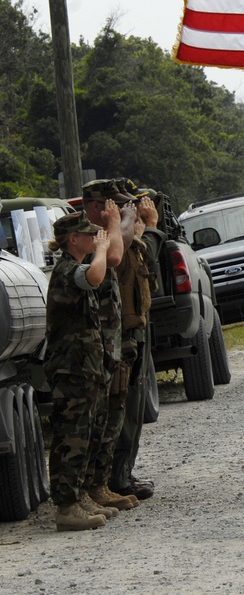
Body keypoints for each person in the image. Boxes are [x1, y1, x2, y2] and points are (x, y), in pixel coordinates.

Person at [44, 213, 112, 531]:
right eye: (88, 235)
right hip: (70, 369)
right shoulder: (68, 270)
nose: (93, 238)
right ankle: (67, 507)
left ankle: (79, 495)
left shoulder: (74, 268)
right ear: (73, 239)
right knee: (71, 435)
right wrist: (102, 249)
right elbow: (96, 276)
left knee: (83, 433)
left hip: (82, 367)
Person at [80, 180, 141, 513]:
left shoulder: (107, 232)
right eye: (111, 205)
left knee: (112, 417)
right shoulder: (88, 234)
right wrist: (121, 222)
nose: (116, 211)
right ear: (95, 206)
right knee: (95, 420)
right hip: (94, 346)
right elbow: (116, 255)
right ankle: (86, 490)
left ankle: (99, 485)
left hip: (110, 343)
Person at [110, 183, 160, 502]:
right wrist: (151, 226)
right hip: (127, 337)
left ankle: (123, 472)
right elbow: (149, 254)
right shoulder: (122, 245)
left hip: (135, 331)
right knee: (126, 411)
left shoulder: (127, 242)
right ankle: (119, 477)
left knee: (134, 405)